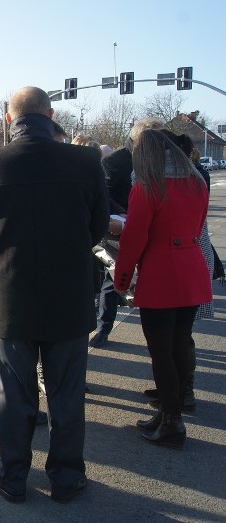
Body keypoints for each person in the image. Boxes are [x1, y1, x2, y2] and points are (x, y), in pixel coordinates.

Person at [0, 87, 108, 504]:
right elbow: (97, 226)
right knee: (66, 394)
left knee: (14, 394)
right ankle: (66, 477)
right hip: (68, 296)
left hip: (12, 297)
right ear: (50, 114)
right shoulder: (85, 161)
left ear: (9, 120)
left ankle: (13, 477)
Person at [115, 130, 211, 449]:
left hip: (161, 275)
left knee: (161, 352)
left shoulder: (147, 187)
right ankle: (173, 413)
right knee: (180, 346)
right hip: (191, 269)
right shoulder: (196, 182)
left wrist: (122, 279)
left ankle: (172, 420)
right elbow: (197, 228)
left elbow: (134, 239)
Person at [90, 117, 165, 348]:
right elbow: (105, 195)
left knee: (155, 282)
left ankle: (158, 335)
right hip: (120, 230)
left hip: (154, 230)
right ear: (139, 140)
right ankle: (103, 329)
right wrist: (124, 217)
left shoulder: (162, 160)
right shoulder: (115, 161)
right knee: (113, 282)